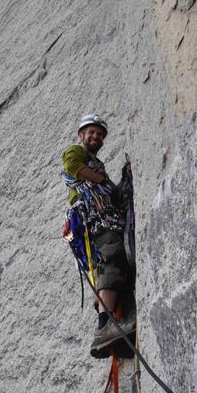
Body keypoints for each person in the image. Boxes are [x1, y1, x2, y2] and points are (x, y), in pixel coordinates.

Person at [62, 114, 135, 356]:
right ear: (81, 136)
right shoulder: (76, 154)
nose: (95, 136)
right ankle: (104, 327)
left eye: (99, 134)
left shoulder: (96, 163)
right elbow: (71, 166)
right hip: (94, 218)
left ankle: (115, 333)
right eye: (90, 132)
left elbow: (111, 192)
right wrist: (103, 180)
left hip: (103, 217)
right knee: (111, 257)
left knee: (115, 260)